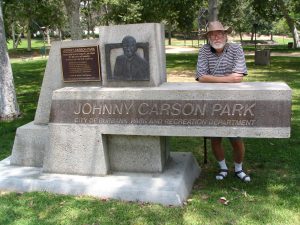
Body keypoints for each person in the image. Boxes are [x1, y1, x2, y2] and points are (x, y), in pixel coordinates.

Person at [196, 21, 250, 182]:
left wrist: (212, 79)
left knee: (236, 138)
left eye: (220, 33)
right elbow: (200, 76)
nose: (216, 36)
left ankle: (239, 169)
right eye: (212, 34)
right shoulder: (204, 50)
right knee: (215, 137)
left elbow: (239, 77)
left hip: (233, 100)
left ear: (225, 35)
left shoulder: (236, 48)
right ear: (208, 37)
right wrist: (228, 79)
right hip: (212, 100)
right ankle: (223, 168)